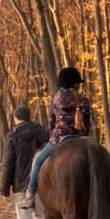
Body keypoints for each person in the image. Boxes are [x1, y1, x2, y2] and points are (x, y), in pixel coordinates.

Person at [20, 67, 92, 208]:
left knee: (38, 160)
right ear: (75, 83)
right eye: (78, 82)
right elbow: (87, 125)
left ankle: (30, 193)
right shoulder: (84, 101)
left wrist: (53, 133)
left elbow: (50, 122)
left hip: (58, 139)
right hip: (80, 139)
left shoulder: (56, 99)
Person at [1, 106, 51, 219]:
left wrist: (4, 188)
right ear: (30, 117)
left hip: (20, 185)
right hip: (41, 184)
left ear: (15, 118)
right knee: (41, 216)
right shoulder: (41, 133)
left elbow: (8, 164)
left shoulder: (12, 137)